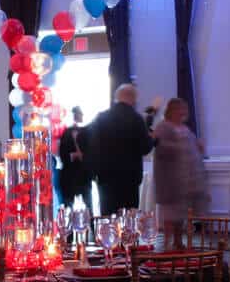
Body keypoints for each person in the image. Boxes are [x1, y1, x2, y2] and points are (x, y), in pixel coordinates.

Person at [85, 84, 153, 216]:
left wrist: (94, 171)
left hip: (106, 177)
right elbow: (145, 148)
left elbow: (87, 141)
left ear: (116, 98)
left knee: (109, 216)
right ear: (133, 99)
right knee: (128, 216)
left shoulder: (102, 117)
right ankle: (128, 237)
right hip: (130, 178)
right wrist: (152, 140)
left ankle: (107, 236)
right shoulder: (136, 119)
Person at [151, 96, 208, 248]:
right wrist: (181, 147)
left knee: (180, 215)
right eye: (179, 109)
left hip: (185, 180)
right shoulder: (163, 127)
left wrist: (197, 146)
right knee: (170, 215)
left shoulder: (185, 128)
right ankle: (167, 244)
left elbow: (192, 146)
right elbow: (160, 148)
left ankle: (178, 241)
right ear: (172, 110)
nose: (182, 112)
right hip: (169, 180)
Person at [55, 107, 91, 209]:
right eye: (79, 114)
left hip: (84, 175)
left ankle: (91, 223)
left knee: (89, 205)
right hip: (69, 175)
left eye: (81, 114)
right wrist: (72, 155)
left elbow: (91, 150)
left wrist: (84, 157)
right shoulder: (66, 132)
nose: (80, 116)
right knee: (68, 205)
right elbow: (62, 153)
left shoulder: (87, 132)